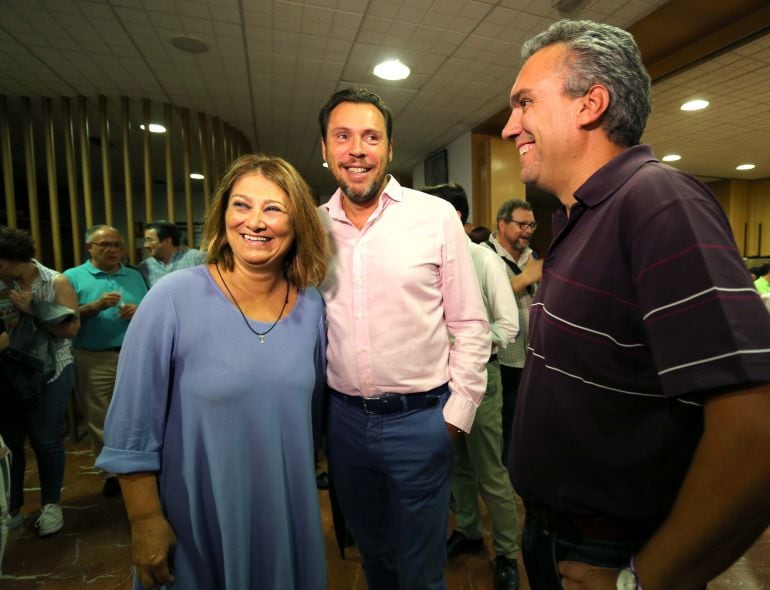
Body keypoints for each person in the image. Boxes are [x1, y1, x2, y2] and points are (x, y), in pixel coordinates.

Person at [503, 19, 770, 590]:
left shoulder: (657, 201)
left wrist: (641, 582)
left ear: (590, 104)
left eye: (524, 103)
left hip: (611, 550)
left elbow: (756, 430)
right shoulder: (583, 216)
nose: (509, 127)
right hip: (559, 536)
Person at [96, 153, 330, 590]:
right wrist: (145, 520)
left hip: (285, 513)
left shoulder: (312, 305)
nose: (255, 222)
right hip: (199, 518)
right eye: (242, 205)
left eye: (274, 208)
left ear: (298, 223)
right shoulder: (173, 298)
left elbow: (310, 418)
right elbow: (131, 425)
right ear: (223, 216)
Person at [318, 88, 490, 590]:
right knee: (375, 559)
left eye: (371, 137)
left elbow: (470, 325)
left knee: (421, 570)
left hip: (422, 422)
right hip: (344, 425)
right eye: (342, 136)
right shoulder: (311, 226)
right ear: (325, 147)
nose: (357, 149)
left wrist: (455, 417)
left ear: (389, 149)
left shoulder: (433, 216)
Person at [421, 183, 522, 590]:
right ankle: (467, 531)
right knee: (457, 466)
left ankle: (508, 554)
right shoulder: (431, 260)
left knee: (490, 471)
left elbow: (509, 327)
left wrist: (460, 342)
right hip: (439, 382)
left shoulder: (483, 260)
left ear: (456, 217)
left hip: (482, 376)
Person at [0, 226, 80, 536]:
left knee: (45, 439)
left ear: (12, 259)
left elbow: (71, 329)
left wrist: (33, 309)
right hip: (8, 374)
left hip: (50, 370)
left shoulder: (55, 281)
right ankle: (12, 506)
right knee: (11, 443)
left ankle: (51, 504)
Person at [63, 225, 147, 497]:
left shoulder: (133, 275)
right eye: (105, 245)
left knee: (138, 411)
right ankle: (112, 473)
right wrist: (95, 307)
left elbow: (151, 310)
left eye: (117, 245)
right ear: (90, 248)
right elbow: (63, 319)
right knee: (100, 415)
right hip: (92, 356)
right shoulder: (72, 277)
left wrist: (139, 311)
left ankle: (140, 467)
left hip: (134, 355)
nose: (113, 250)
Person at [486, 199, 541, 465]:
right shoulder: (485, 255)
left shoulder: (533, 257)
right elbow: (480, 302)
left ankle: (512, 475)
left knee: (519, 422)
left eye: (531, 224)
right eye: (521, 224)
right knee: (497, 426)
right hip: (499, 358)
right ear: (502, 224)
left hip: (528, 357)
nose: (528, 230)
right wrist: (527, 278)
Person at [137, 220, 205, 287]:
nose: (146, 245)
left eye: (150, 240)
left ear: (167, 241)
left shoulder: (196, 258)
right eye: (146, 241)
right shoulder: (145, 267)